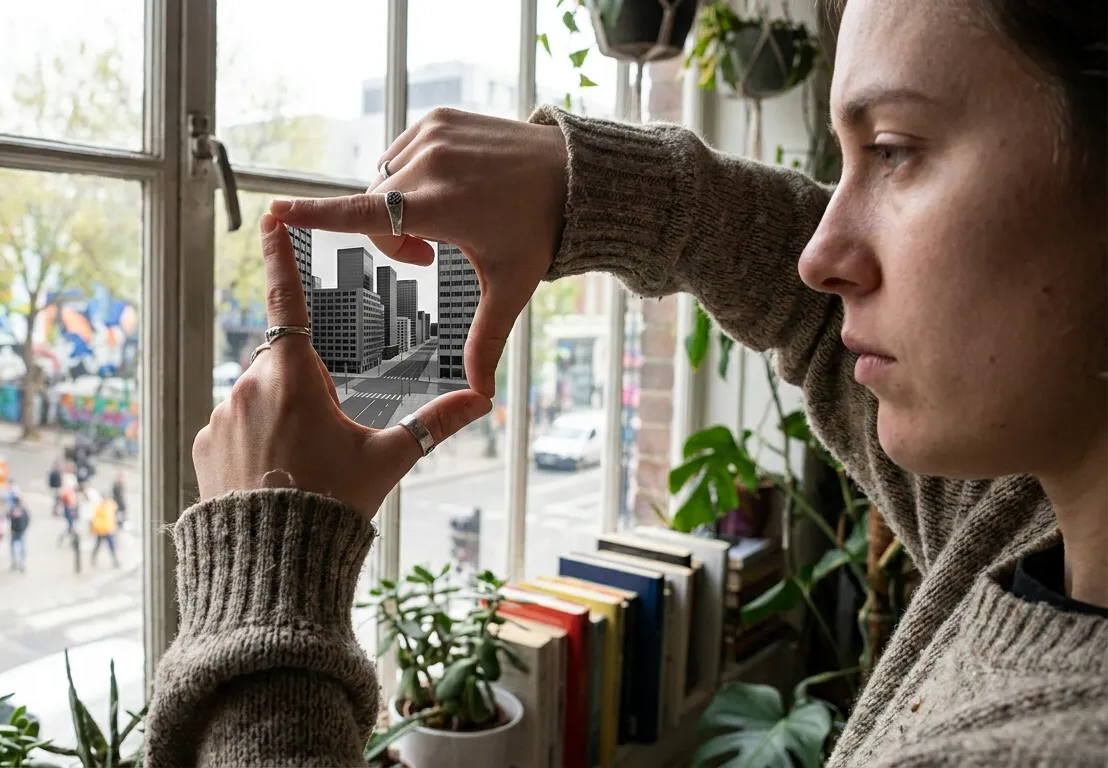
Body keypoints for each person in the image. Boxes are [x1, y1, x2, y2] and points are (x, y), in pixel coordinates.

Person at [139, 2, 1107, 766]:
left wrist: (264, 582)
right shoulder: (1022, 517)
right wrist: (577, 185)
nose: (820, 253)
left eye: (891, 150)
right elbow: (805, 306)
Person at [89, 495, 119, 568]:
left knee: (110, 546)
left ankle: (115, 561)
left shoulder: (110, 505)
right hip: (102, 530)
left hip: (108, 530)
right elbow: (95, 519)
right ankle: (93, 558)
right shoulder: (101, 506)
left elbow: (114, 517)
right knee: (98, 545)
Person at [8, 500, 30, 572]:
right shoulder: (12, 510)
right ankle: (14, 563)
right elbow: (8, 519)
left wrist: (23, 529)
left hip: (21, 532)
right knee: (13, 550)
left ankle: (21, 564)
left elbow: (27, 520)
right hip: (14, 533)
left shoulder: (24, 511)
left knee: (22, 550)